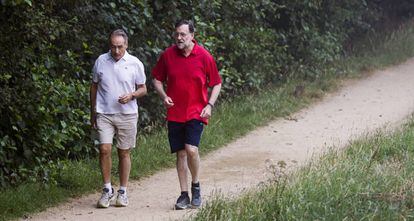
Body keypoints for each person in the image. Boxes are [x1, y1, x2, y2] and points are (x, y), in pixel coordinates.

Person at [152, 20, 222, 210]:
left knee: (191, 149)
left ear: (192, 35)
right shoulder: (168, 55)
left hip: (196, 112)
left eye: (183, 34)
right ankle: (184, 195)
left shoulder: (204, 56)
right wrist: (164, 96)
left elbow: (216, 82)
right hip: (175, 112)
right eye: (177, 34)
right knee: (181, 154)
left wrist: (210, 105)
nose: (179, 38)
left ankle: (196, 186)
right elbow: (157, 79)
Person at [90, 29, 147, 208]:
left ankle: (122, 190)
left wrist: (131, 95)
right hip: (104, 113)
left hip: (127, 114)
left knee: (123, 152)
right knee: (104, 149)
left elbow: (143, 88)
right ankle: (107, 189)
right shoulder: (101, 60)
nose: (116, 51)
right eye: (113, 47)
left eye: (119, 47)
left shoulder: (134, 63)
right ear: (109, 45)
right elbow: (94, 86)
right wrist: (93, 111)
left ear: (126, 45)